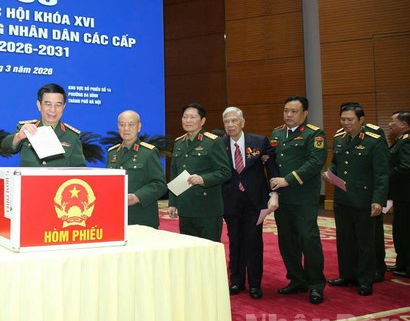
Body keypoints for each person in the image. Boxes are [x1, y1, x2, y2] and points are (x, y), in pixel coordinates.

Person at [322, 103, 389, 296]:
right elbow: (336, 162)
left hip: (364, 199)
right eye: (343, 119)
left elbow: (382, 174)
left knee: (365, 242)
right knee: (345, 240)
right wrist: (330, 173)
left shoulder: (374, 140)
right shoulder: (339, 137)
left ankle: (365, 280)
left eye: (350, 119)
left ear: (361, 119)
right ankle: (347, 275)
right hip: (342, 198)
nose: (346, 123)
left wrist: (378, 200)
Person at [269, 95, 327, 304]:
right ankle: (297, 279)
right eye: (286, 111)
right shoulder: (277, 133)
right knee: (287, 241)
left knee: (308, 240)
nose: (289, 115)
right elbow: (272, 161)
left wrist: (287, 180)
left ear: (305, 114)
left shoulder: (314, 134)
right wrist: (273, 190)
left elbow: (315, 163)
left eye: (294, 111)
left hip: (303, 197)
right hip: (283, 199)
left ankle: (316, 284)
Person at [221, 106, 280, 299]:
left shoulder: (259, 142)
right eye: (226, 122)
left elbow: (271, 168)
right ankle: (236, 281)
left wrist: (274, 193)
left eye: (234, 121)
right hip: (230, 200)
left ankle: (255, 284)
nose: (230, 125)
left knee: (254, 241)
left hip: (255, 201)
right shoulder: (219, 144)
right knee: (235, 241)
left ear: (242, 122)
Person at [167, 103, 231, 242]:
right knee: (189, 249)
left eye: (192, 117)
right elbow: (174, 174)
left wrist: (203, 179)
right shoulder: (179, 143)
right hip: (185, 207)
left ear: (202, 121)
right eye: (185, 117)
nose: (188, 120)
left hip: (207, 208)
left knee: (209, 249)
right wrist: (173, 202)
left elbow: (225, 172)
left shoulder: (212, 142)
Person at [105, 110, 168, 228]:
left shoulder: (148, 152)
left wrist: (137, 197)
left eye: (131, 124)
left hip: (141, 217)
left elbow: (160, 184)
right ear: (118, 127)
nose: (126, 128)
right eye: (122, 124)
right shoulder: (112, 153)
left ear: (139, 127)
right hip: (117, 217)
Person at [1, 83, 86, 167]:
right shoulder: (26, 128)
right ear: (39, 105)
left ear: (63, 107)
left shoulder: (72, 136)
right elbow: (5, 147)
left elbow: (80, 169)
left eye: (58, 105)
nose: (53, 109)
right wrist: (18, 137)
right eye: (48, 104)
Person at [388, 110, 410, 278]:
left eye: (393, 121)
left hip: (406, 195)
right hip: (401, 195)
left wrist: (386, 175)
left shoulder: (406, 141)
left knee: (405, 230)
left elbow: (406, 166)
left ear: (403, 124)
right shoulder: (400, 140)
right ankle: (402, 262)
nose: (390, 124)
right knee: (400, 229)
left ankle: (407, 266)